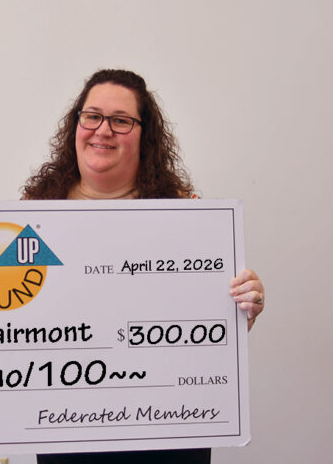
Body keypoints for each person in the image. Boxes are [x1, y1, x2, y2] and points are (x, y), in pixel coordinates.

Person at [22, 69, 265, 464]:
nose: (103, 130)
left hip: (169, 430)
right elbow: (3, 312)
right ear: (76, 125)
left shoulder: (187, 214)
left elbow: (211, 329)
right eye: (92, 116)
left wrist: (242, 307)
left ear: (144, 135)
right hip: (68, 426)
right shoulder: (32, 214)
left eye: (121, 121)